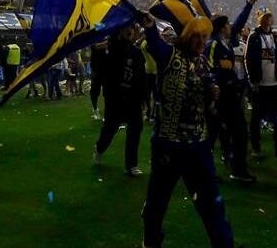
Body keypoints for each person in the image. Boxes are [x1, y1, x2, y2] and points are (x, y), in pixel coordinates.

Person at [139, 13, 234, 248]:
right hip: (168, 146)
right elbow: (155, 45)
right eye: (196, 36)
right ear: (187, 36)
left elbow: (207, 98)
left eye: (205, 37)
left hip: (197, 145)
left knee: (212, 204)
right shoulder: (170, 55)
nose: (201, 41)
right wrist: (150, 27)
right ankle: (151, 241)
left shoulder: (204, 62)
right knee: (157, 202)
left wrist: (213, 94)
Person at [206, 0, 257, 183]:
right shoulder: (213, 45)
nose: (231, 28)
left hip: (229, 97)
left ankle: (237, 168)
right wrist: (213, 90)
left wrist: (249, 4)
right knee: (211, 136)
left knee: (238, 132)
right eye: (228, 25)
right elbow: (208, 69)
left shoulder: (225, 43)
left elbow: (239, 24)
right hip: (218, 98)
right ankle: (206, 173)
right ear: (222, 28)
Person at [95, 24, 148, 176]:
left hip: (133, 99)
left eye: (131, 27)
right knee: (110, 128)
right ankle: (99, 149)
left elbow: (141, 76)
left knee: (135, 129)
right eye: (126, 27)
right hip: (115, 98)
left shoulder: (136, 52)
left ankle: (131, 165)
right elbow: (102, 70)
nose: (129, 30)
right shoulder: (111, 49)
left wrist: (143, 97)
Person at [245, 9, 277, 159]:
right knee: (256, 118)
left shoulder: (275, 37)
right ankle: (256, 148)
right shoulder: (254, 37)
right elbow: (248, 59)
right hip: (260, 84)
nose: (268, 20)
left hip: (274, 83)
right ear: (259, 20)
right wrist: (252, 80)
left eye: (269, 17)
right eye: (265, 17)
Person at [89, 40, 110, 120]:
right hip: (96, 71)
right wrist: (108, 42)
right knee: (94, 92)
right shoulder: (95, 38)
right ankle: (95, 109)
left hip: (106, 71)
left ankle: (107, 113)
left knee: (107, 93)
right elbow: (95, 46)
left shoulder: (107, 38)